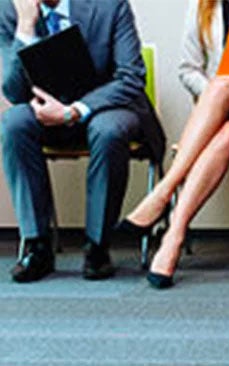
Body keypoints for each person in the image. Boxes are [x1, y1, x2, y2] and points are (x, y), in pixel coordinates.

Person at [116, 0, 229, 289]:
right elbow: (188, 70)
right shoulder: (202, 6)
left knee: (222, 88)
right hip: (219, 115)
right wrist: (214, 93)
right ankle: (173, 237)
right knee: (228, 133)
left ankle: (163, 193)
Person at [0, 0, 165, 283]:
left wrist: (74, 111)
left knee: (108, 129)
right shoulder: (8, 10)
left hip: (106, 107)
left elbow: (132, 76)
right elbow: (14, 91)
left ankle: (97, 246)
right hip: (46, 112)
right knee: (13, 122)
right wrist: (26, 28)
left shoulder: (110, 6)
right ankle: (37, 245)